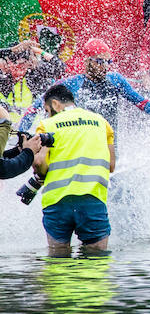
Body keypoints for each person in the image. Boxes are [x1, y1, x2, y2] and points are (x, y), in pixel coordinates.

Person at [24, 38, 150, 134]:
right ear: (88, 61)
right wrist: (23, 132)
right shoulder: (72, 84)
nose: (105, 66)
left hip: (110, 144)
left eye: (108, 62)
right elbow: (36, 106)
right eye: (99, 61)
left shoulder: (115, 80)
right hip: (84, 146)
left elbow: (139, 101)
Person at [30, 83, 116, 254]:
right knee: (97, 257)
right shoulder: (101, 122)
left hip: (57, 202)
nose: (47, 114)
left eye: (47, 110)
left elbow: (39, 163)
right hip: (92, 199)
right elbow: (111, 165)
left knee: (58, 257)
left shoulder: (47, 125)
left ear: (54, 104)